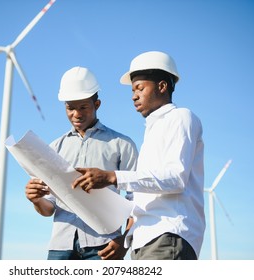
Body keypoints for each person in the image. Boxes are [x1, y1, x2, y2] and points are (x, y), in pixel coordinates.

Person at [72, 51, 206, 260]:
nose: (134, 95)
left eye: (140, 88)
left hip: (168, 235)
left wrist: (112, 177)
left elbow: (175, 178)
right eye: (133, 90)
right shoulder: (152, 131)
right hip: (145, 241)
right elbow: (143, 196)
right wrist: (126, 238)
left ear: (162, 86)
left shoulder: (181, 117)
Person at [25, 66, 138, 260]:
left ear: (97, 104)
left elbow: (137, 199)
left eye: (83, 107)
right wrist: (36, 199)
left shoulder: (122, 144)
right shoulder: (54, 148)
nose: (76, 114)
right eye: (70, 107)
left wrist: (125, 241)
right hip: (61, 246)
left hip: (104, 246)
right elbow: (49, 208)